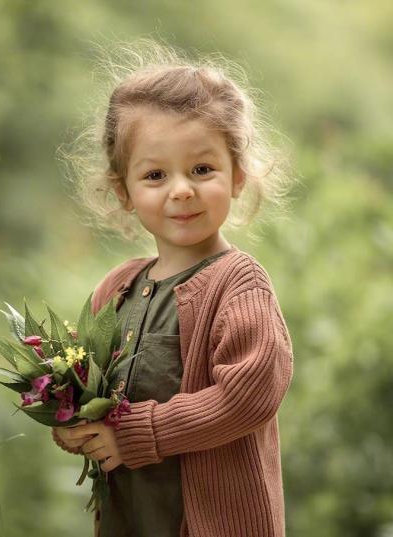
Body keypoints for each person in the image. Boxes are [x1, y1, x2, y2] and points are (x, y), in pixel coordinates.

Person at [51, 40, 295, 537]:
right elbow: (88, 382)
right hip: (131, 519)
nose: (181, 189)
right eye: (156, 174)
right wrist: (72, 419)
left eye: (202, 170)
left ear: (237, 177)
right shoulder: (116, 289)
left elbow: (248, 396)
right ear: (124, 191)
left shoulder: (238, 284)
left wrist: (141, 433)